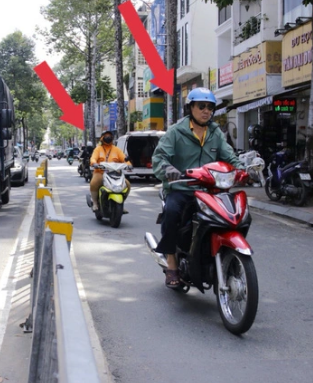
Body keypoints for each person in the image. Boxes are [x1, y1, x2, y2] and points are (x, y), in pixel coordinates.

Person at [152, 87, 242, 288]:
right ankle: (172, 265)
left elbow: (229, 156)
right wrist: (168, 168)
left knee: (230, 216)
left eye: (210, 107)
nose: (206, 111)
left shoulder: (215, 133)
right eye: (201, 106)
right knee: (172, 213)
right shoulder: (176, 132)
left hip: (210, 191)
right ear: (190, 108)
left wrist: (243, 169)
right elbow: (159, 157)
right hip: (181, 189)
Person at [89, 130, 131, 211]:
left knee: (127, 185)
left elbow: (124, 158)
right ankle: (95, 203)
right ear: (102, 138)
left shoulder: (117, 150)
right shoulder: (98, 149)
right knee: (94, 183)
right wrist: (94, 163)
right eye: (106, 135)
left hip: (115, 173)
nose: (108, 137)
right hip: (100, 172)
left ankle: (121, 204)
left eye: (109, 136)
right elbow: (93, 158)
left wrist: (129, 164)